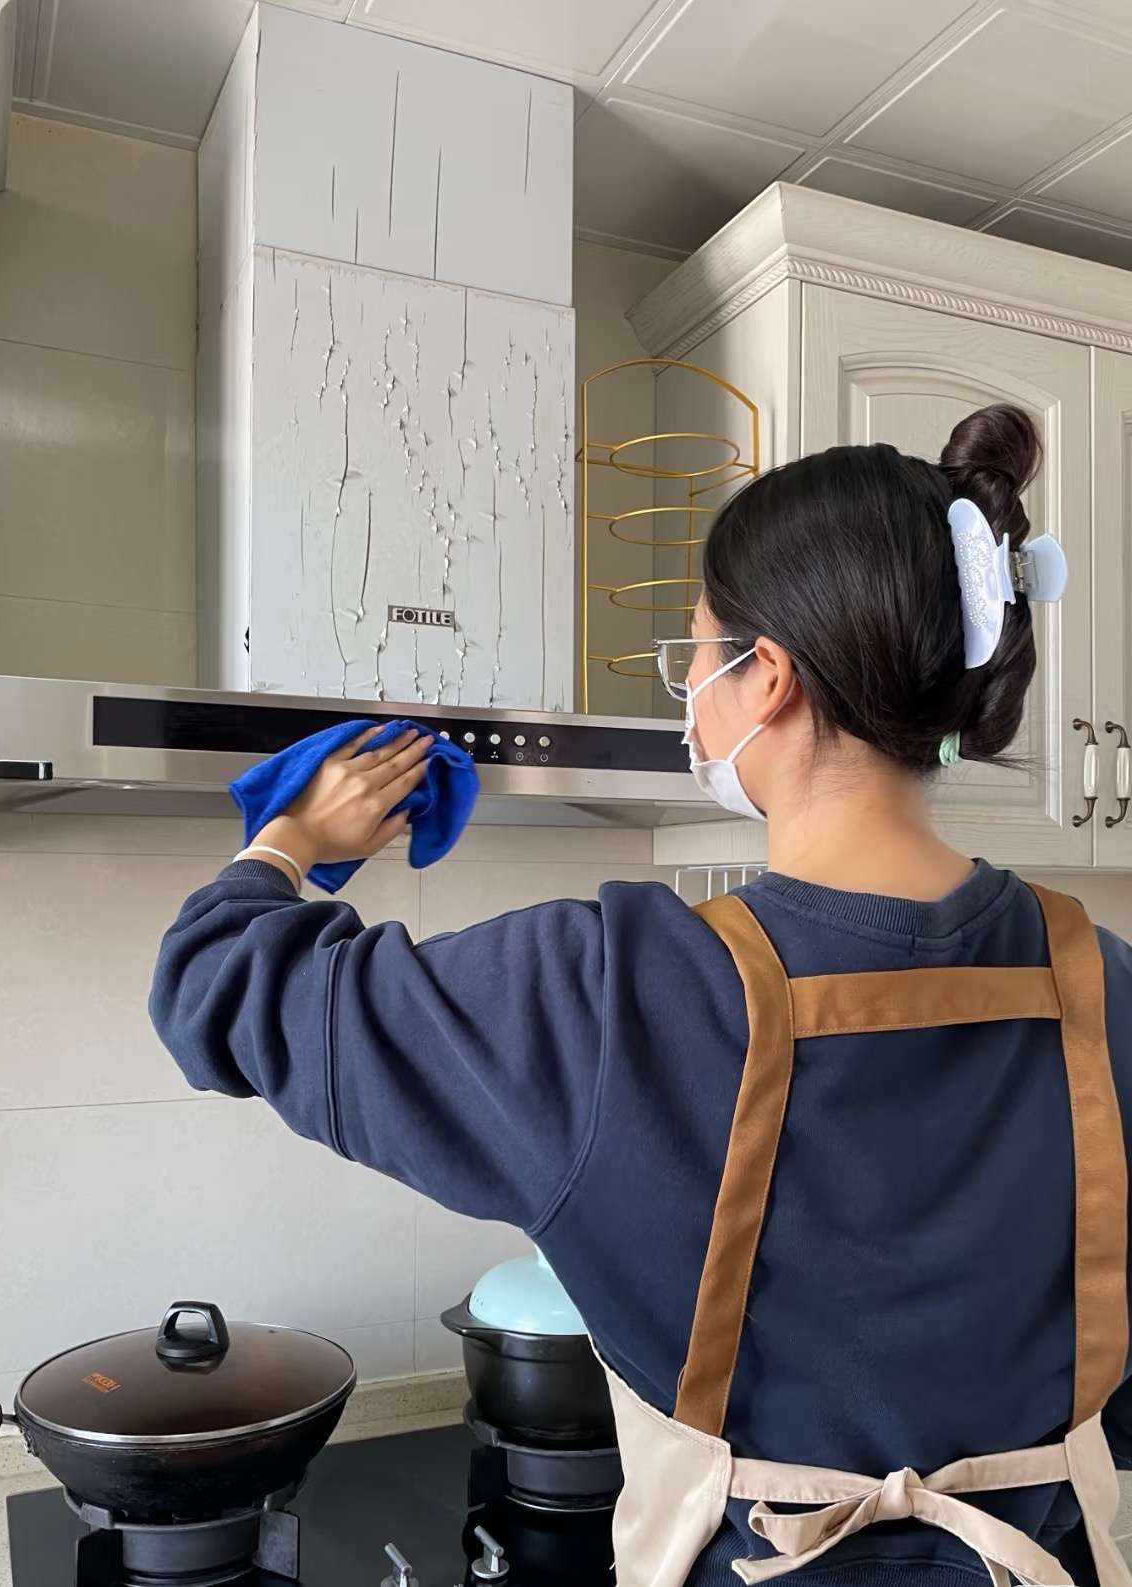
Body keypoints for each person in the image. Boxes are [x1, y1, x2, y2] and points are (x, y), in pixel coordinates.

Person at [150, 403, 1132, 1587]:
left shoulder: (609, 995)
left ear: (767, 678)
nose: (690, 700)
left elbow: (215, 983)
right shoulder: (1105, 984)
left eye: (697, 658)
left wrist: (294, 839)